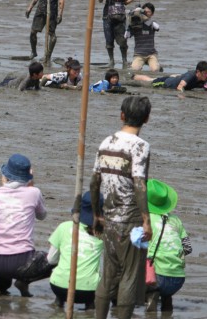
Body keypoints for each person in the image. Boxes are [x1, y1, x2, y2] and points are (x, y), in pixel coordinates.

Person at [90, 96, 153, 319]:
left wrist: (97, 214)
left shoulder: (106, 142)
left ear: (122, 115)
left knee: (108, 274)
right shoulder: (140, 146)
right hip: (130, 220)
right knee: (129, 275)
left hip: (109, 217)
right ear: (146, 118)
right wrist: (146, 220)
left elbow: (94, 181)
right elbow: (139, 183)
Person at [0, 154, 53, 297]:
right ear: (28, 176)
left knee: (4, 285)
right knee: (55, 260)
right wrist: (31, 185)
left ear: (5, 175)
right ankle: (25, 280)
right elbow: (42, 215)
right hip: (22, 260)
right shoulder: (34, 192)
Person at [48, 191, 104, 310]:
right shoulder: (103, 234)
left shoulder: (64, 227)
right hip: (89, 290)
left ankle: (58, 302)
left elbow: (51, 259)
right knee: (91, 300)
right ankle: (90, 306)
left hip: (59, 287)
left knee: (60, 278)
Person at [144, 179, 192, 312]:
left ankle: (151, 300)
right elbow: (188, 248)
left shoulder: (147, 220)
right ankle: (167, 306)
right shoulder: (176, 220)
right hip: (178, 279)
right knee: (166, 296)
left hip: (157, 277)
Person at [26, 0, 65, 65]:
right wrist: (30, 7)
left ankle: (48, 55)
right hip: (40, 9)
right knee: (33, 32)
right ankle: (33, 51)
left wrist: (60, 14)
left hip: (52, 11)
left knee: (52, 35)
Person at [98, 0, 138, 69]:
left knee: (123, 40)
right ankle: (111, 61)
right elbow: (100, 0)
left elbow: (125, 1)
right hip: (107, 16)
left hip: (121, 17)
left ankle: (125, 61)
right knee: (109, 39)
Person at [126, 3, 161, 72]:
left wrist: (145, 19)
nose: (146, 13)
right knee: (134, 70)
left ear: (152, 14)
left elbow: (157, 27)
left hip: (151, 54)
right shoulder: (136, 24)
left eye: (148, 12)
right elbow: (126, 36)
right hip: (139, 54)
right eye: (145, 12)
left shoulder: (152, 23)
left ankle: (158, 67)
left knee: (155, 69)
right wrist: (129, 24)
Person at [133, 61, 207, 92]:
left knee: (151, 79)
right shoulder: (191, 75)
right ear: (198, 72)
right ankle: (134, 77)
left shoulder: (202, 79)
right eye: (205, 73)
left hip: (172, 79)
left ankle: (134, 76)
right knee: (149, 82)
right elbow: (180, 87)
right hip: (165, 83)